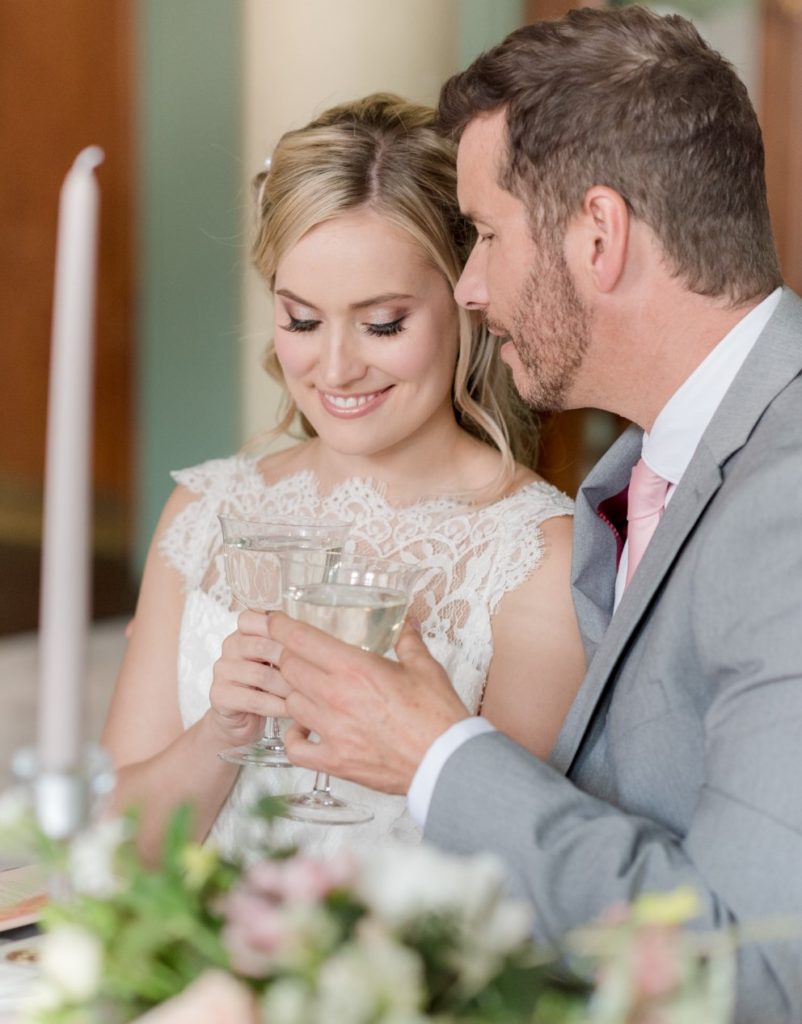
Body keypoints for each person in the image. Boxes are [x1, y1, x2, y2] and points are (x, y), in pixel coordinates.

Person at [265, 9, 802, 1022]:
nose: (467, 287)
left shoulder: (791, 503)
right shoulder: (649, 463)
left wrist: (437, 752)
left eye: (487, 234)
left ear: (596, 235)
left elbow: (755, 968)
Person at [102, 93, 585, 862]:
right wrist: (221, 735)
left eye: (383, 323)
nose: (334, 368)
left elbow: (524, 876)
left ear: (466, 299)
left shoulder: (538, 558)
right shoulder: (205, 510)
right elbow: (114, 850)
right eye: (301, 320)